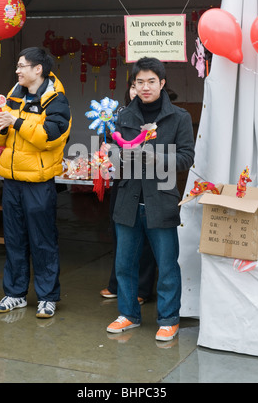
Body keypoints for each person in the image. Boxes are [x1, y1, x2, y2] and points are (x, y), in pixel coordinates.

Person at [106, 57, 195, 341]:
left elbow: (187, 157)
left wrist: (157, 157)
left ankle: (168, 318)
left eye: (151, 82)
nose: (145, 87)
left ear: (162, 83)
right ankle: (128, 314)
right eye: (140, 82)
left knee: (167, 264)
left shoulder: (178, 117)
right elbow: (114, 154)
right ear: (133, 85)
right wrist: (108, 159)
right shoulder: (122, 117)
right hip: (128, 198)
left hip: (162, 199)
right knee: (124, 263)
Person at [0, 47, 72, 318]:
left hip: (38, 181)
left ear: (38, 69)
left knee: (43, 240)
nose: (17, 70)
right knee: (14, 239)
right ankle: (15, 294)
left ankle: (47, 297)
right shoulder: (14, 94)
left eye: (22, 66)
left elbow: (50, 136)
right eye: (17, 65)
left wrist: (16, 121)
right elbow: (2, 138)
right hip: (12, 180)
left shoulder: (56, 100)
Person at [100, 76, 157, 303]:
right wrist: (107, 150)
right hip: (123, 183)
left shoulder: (156, 119)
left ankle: (142, 289)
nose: (137, 90)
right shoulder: (120, 117)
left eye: (143, 85)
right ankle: (117, 284)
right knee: (120, 235)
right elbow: (114, 149)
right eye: (134, 86)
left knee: (145, 239)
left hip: (149, 183)